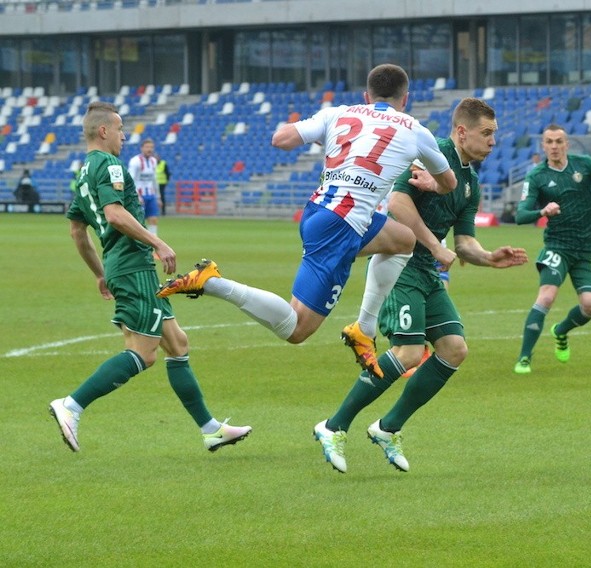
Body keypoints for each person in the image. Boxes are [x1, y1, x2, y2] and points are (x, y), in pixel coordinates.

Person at [156, 64, 457, 381]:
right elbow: (448, 183)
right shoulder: (415, 129)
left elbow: (281, 139)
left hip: (322, 212)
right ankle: (213, 282)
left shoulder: (338, 113)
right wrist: (431, 183)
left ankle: (363, 330)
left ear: (366, 96)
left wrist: (328, 139)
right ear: (405, 99)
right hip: (342, 226)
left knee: (403, 240)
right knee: (297, 329)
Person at [313, 98, 527, 473]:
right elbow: (397, 202)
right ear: (462, 133)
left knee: (454, 349)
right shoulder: (431, 153)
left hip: (427, 270)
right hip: (401, 264)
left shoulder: (471, 184)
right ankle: (333, 426)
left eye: (495, 134)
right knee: (409, 353)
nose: (494, 142)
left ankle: (388, 427)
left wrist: (490, 257)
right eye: (487, 133)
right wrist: (432, 244)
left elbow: (463, 244)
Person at [49, 101, 251, 453]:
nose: (124, 136)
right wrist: (157, 241)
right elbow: (114, 214)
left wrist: (100, 274)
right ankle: (72, 405)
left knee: (178, 343)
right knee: (143, 353)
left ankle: (211, 429)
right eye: (121, 129)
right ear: (104, 131)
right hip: (134, 266)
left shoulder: (83, 173)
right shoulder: (109, 165)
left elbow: (77, 233)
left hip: (119, 265)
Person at [513, 124, 591, 374]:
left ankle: (561, 331)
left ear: (567, 144)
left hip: (588, 250)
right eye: (549, 141)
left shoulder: (584, 165)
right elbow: (520, 215)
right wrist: (542, 211)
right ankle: (524, 357)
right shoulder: (536, 176)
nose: (554, 146)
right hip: (557, 246)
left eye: (559, 141)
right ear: (543, 145)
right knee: (547, 296)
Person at [127, 138, 160, 236]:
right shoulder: (135, 161)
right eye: (147, 147)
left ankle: (154, 241)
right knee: (139, 221)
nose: (149, 149)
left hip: (151, 194)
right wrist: (136, 195)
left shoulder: (154, 161)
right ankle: (139, 242)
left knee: (153, 219)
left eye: (151, 147)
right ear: (142, 148)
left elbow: (154, 179)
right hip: (139, 196)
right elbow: (131, 180)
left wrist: (158, 197)